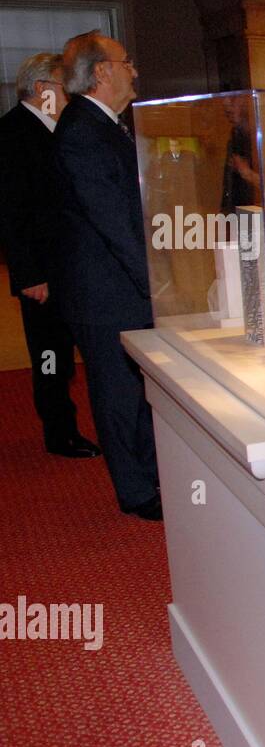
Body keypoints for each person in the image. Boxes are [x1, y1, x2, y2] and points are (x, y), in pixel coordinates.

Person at [54, 30, 160, 520]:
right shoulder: (82, 131)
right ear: (101, 72)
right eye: (126, 61)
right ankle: (137, 492)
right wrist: (154, 283)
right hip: (105, 292)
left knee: (137, 391)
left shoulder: (105, 125)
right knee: (118, 395)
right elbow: (113, 223)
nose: (134, 70)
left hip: (118, 286)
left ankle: (152, 476)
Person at [0, 52, 100, 459]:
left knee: (70, 352)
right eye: (66, 90)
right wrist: (29, 275)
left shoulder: (56, 130)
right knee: (49, 357)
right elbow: (11, 212)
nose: (72, 98)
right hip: (42, 273)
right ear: (42, 89)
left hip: (70, 266)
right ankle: (60, 434)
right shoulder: (11, 134)